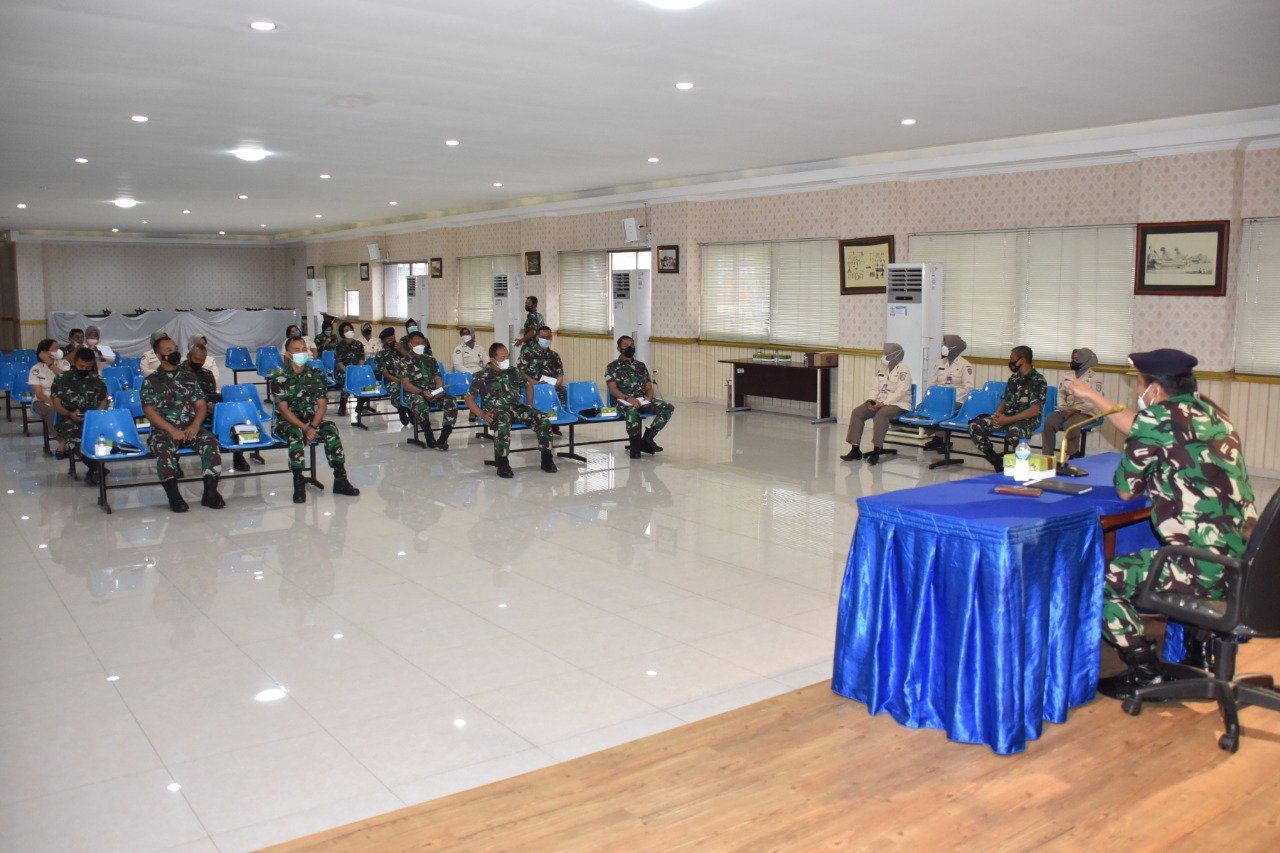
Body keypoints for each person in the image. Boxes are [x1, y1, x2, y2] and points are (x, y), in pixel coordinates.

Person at [1067, 349, 1256, 700]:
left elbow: (1126, 490)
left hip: (1203, 566)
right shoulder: (1214, 413)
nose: (1139, 392)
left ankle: (1146, 672)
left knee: (1104, 579)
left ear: (1154, 390)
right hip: (1244, 562)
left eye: (1139, 384)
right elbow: (1154, 428)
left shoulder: (1154, 419)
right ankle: (1198, 654)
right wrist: (1094, 398)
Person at [140, 336, 225, 512]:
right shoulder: (151, 381)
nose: (174, 353)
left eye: (175, 349)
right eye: (168, 351)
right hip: (164, 432)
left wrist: (195, 425)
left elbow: (201, 405)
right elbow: (149, 412)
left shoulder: (189, 377)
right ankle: (174, 497)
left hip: (190, 428)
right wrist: (172, 430)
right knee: (163, 450)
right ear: (159, 356)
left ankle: (210, 493)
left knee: (211, 442)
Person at [271, 336, 361, 503]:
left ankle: (340, 479)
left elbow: (322, 405)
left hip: (310, 420)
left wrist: (312, 426)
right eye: (296, 350)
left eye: (304, 349)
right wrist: (306, 429)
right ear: (288, 354)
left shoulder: (315, 374)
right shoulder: (279, 377)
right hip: (286, 423)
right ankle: (298, 482)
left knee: (331, 429)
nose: (302, 353)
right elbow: (283, 410)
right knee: (295, 433)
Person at [465, 342, 556, 478]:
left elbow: (528, 385)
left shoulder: (513, 371)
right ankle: (502, 463)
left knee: (542, 418)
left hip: (516, 407)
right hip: (497, 410)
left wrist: (529, 404)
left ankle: (547, 459)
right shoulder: (481, 375)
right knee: (503, 420)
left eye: (507, 356)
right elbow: (468, 399)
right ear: (492, 359)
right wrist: (482, 414)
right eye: (502, 357)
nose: (506, 360)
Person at [968, 345, 1047, 471]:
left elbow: (1034, 410)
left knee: (1014, 432)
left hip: (1027, 419)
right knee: (975, 426)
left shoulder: (1037, 380)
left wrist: (1008, 420)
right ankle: (996, 461)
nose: (1010, 361)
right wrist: (997, 415)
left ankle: (1022, 464)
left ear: (1022, 360)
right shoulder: (1014, 378)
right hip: (1007, 417)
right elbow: (1005, 400)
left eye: (1012, 358)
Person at [840, 342, 913, 465]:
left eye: (887, 354)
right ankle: (855, 450)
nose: (884, 356)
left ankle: (876, 451)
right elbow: (874, 388)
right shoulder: (882, 369)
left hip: (899, 404)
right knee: (857, 412)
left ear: (895, 356)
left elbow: (901, 392)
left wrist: (883, 403)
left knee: (881, 415)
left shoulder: (903, 370)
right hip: (880, 402)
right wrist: (871, 400)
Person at [183, 343, 250, 472]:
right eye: (197, 359)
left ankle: (238, 456)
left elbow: (211, 395)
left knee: (235, 419)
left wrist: (212, 407)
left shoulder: (207, 374)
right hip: (185, 414)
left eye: (202, 360)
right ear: (189, 356)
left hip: (206, 412)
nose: (199, 362)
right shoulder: (178, 373)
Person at [605, 335, 674, 460]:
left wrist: (648, 399)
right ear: (619, 348)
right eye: (625, 345)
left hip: (642, 399)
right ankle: (635, 447)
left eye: (632, 345)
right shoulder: (612, 366)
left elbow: (649, 387)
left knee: (667, 407)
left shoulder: (641, 365)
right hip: (622, 401)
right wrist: (628, 399)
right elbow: (613, 389)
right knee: (632, 410)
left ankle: (647, 439)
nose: (630, 347)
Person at [50, 347, 108, 477]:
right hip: (68, 418)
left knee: (103, 437)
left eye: (88, 367)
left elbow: (103, 402)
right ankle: (97, 468)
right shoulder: (62, 379)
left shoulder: (98, 381)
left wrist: (93, 417)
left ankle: (97, 469)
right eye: (81, 366)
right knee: (76, 438)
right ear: (75, 362)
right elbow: (56, 404)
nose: (84, 370)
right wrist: (69, 414)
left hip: (92, 418)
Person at [396, 330, 457, 450]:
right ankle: (429, 436)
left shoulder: (430, 359)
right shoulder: (404, 362)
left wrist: (439, 390)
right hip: (415, 393)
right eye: (416, 343)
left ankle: (443, 438)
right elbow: (406, 384)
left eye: (422, 343)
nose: (420, 346)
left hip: (432, 392)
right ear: (410, 344)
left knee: (451, 402)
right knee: (420, 403)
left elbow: (438, 377)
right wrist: (422, 392)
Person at [1042, 347, 1104, 458]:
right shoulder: (1068, 375)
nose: (1074, 361)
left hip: (1087, 412)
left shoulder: (1095, 378)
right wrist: (1063, 407)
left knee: (1070, 424)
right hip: (1068, 409)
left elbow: (1094, 401)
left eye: (1077, 359)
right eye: (1073, 358)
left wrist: (1075, 410)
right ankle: (1048, 456)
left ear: (1085, 360)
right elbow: (1061, 393)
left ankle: (1070, 455)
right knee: (1049, 421)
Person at [920, 334, 975, 453]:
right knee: (921, 407)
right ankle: (938, 437)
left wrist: (949, 397)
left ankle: (944, 440)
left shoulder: (965, 365)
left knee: (943, 409)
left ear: (954, 347)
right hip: (939, 399)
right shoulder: (940, 363)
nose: (943, 346)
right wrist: (930, 397)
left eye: (946, 344)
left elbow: (968, 388)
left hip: (957, 400)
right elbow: (932, 383)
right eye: (943, 344)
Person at [28, 339, 69, 455]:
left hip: (62, 398)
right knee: (52, 411)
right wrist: (53, 403)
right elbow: (39, 393)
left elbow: (65, 380)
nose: (58, 350)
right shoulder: (36, 369)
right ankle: (62, 443)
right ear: (44, 352)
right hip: (42, 400)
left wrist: (51, 364)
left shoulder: (64, 364)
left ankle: (70, 443)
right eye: (55, 348)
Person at [374, 326, 411, 424]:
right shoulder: (380, 355)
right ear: (383, 341)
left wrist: (402, 350)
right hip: (393, 381)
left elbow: (413, 362)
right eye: (390, 339)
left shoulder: (401, 349)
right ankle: (401, 409)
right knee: (395, 388)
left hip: (408, 378)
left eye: (394, 338)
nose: (393, 341)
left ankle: (411, 409)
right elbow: (386, 374)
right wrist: (400, 381)